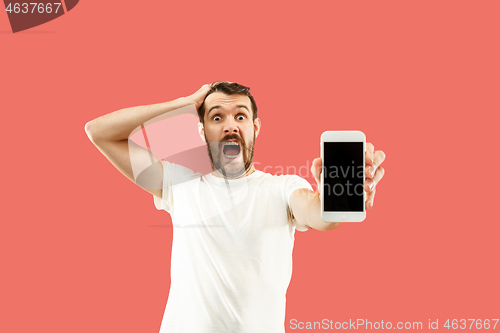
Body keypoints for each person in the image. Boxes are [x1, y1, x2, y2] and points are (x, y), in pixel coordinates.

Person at [84, 82, 386, 333]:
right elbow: (100, 132)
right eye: (216, 118)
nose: (230, 126)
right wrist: (183, 103)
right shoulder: (179, 185)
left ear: (255, 128)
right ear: (202, 130)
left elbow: (319, 215)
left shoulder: (282, 188)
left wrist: (334, 196)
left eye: (240, 117)